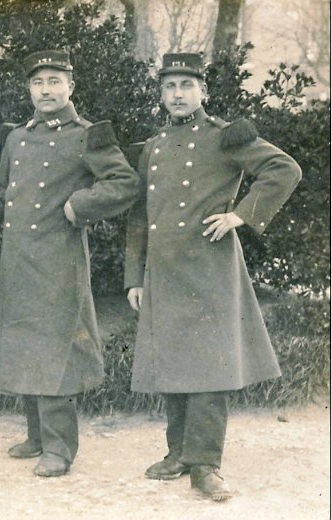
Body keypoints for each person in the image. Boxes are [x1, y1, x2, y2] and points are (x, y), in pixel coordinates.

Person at [124, 53, 301, 501]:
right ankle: (179, 453)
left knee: (208, 367)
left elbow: (284, 169)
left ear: (203, 91)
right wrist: (134, 277)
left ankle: (206, 465)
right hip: (163, 272)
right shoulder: (153, 146)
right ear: (161, 94)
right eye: (169, 87)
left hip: (208, 268)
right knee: (174, 363)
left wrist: (240, 216)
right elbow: (139, 216)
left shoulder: (226, 137)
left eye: (187, 86)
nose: (178, 95)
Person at [0, 49, 139, 477]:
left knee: (55, 350)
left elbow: (124, 183)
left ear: (70, 86)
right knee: (26, 344)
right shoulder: (17, 137)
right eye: (37, 83)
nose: (45, 90)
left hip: (60, 263)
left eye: (54, 81)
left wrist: (79, 206)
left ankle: (60, 450)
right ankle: (37, 436)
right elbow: (0, 185)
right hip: (18, 261)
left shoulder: (87, 135)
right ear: (29, 89)